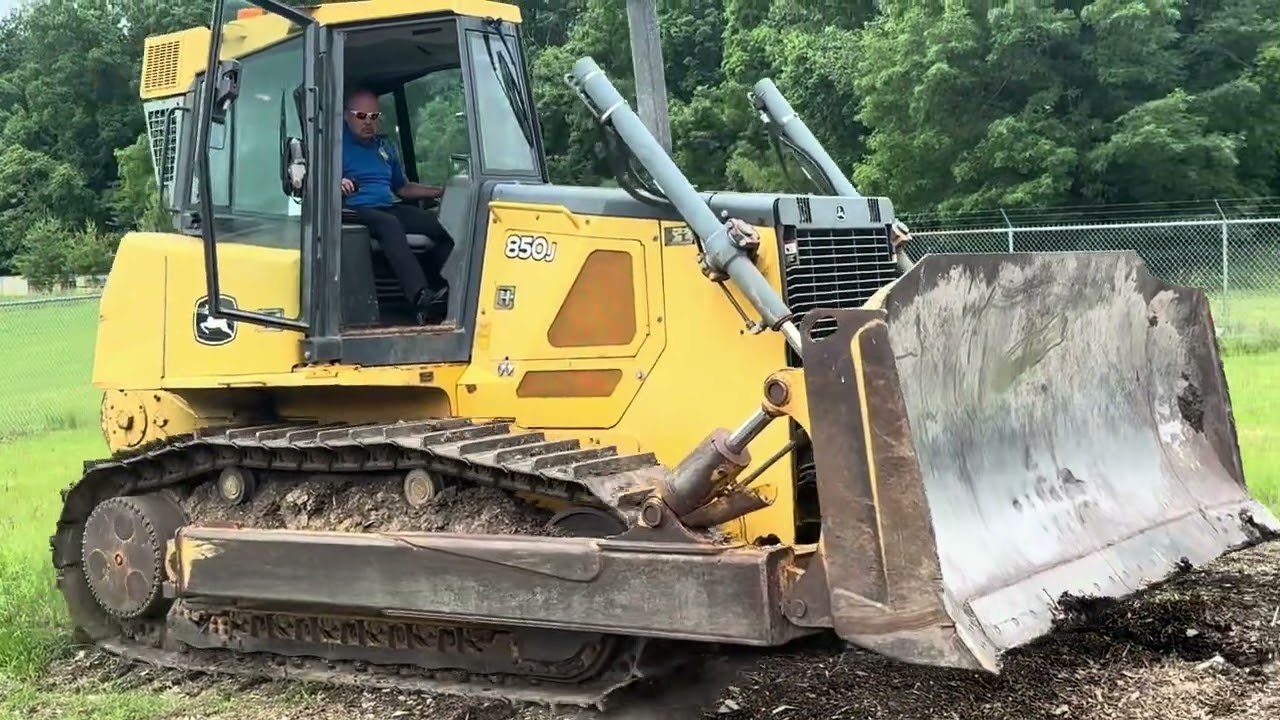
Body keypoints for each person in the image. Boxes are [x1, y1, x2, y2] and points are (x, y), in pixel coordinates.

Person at [341, 87, 454, 324]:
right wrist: (337, 181)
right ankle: (420, 297)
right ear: (346, 116)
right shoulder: (333, 144)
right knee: (389, 224)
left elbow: (402, 188)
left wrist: (443, 191)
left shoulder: (384, 147)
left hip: (386, 205)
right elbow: (316, 178)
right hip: (352, 209)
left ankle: (449, 293)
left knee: (443, 225)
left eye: (374, 117)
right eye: (361, 116)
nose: (368, 122)